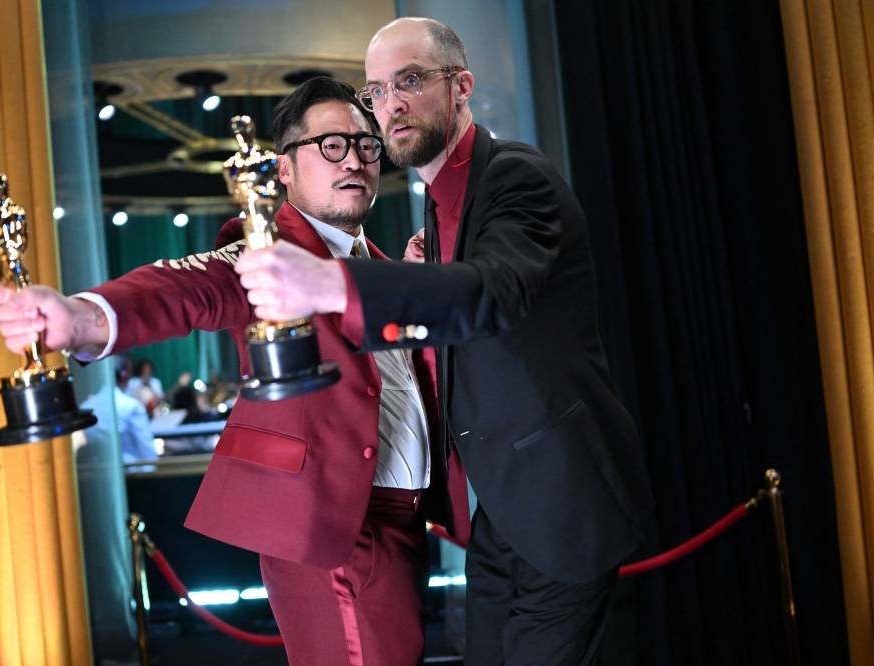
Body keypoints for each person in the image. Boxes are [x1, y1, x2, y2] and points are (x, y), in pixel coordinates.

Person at [234, 17, 656, 665]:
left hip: (563, 505)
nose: (390, 104)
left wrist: (337, 286)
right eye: (376, 91)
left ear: (461, 87)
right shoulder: (434, 206)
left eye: (409, 80)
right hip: (501, 518)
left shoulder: (517, 178)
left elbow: (490, 294)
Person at [0, 77, 437, 665]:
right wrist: (80, 317)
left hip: (408, 520)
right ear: (285, 169)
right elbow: (184, 288)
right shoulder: (265, 255)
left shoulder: (382, 266)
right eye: (330, 145)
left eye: (365, 145)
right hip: (337, 528)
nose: (353, 159)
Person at [78, 357, 158, 464]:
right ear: (123, 376)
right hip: (134, 473)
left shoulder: (85, 406)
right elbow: (147, 450)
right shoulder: (132, 406)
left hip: (95, 472)